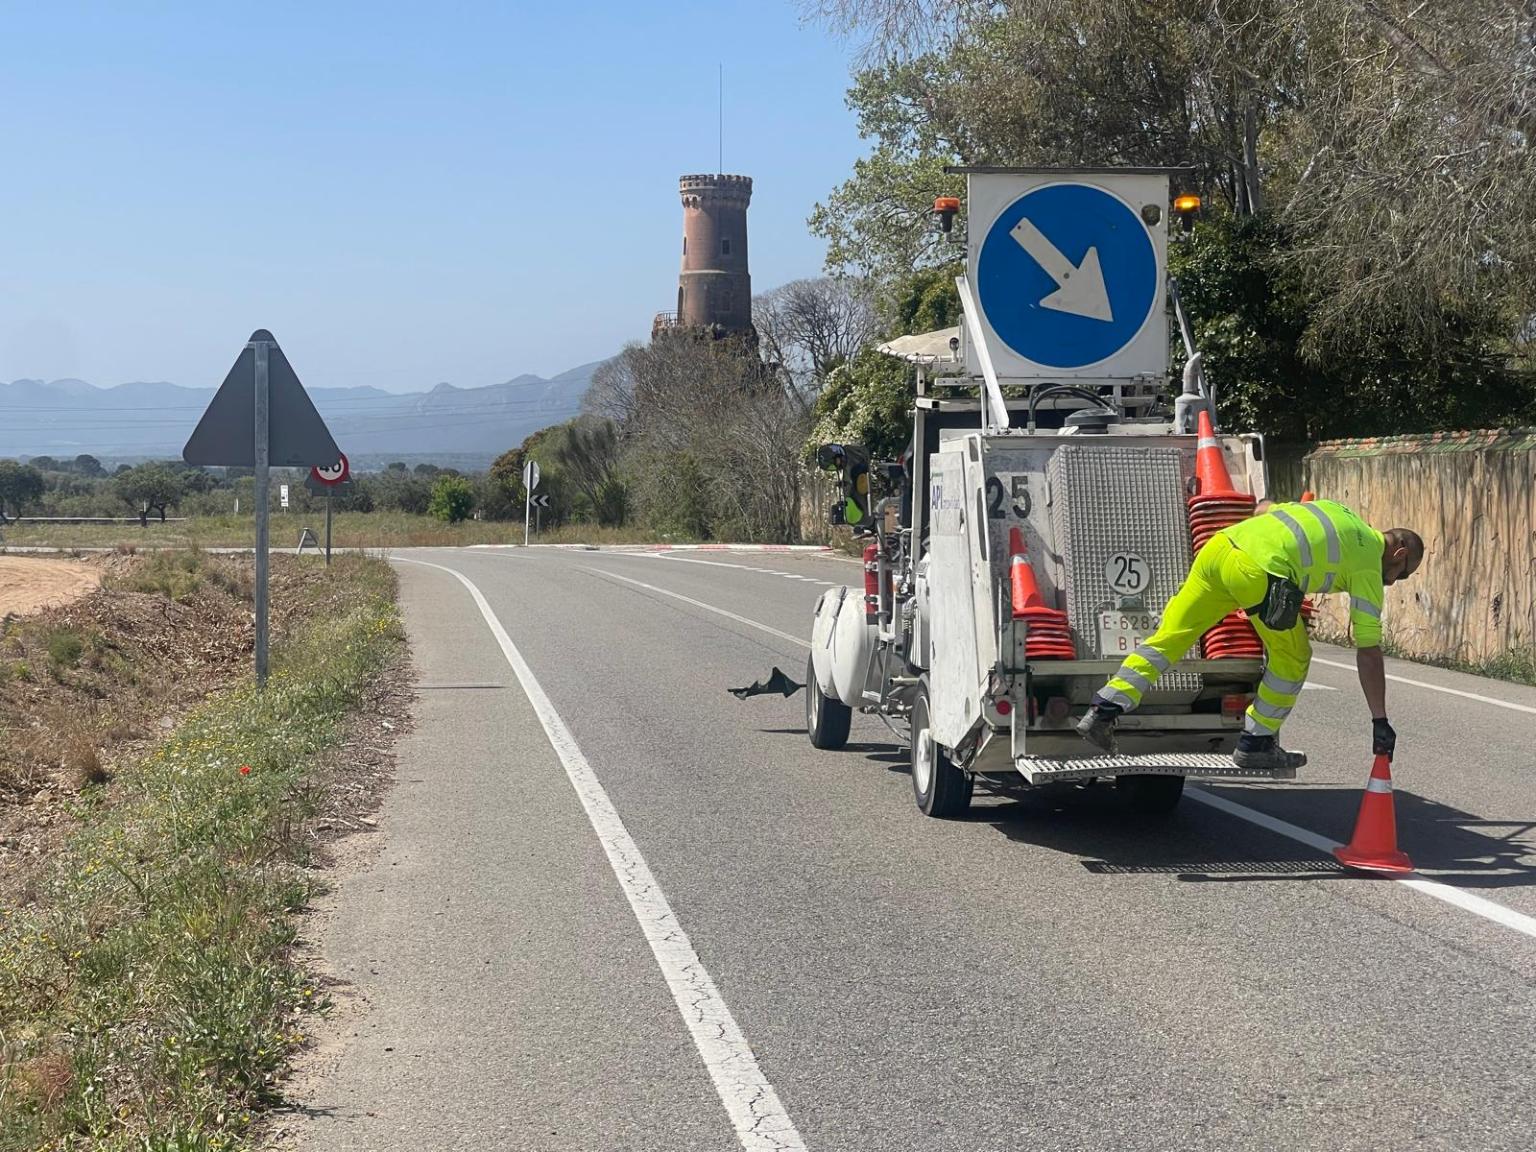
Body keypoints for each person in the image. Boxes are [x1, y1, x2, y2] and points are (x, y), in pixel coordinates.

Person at [1076, 499, 1424, 770]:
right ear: (1399, 553)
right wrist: (1380, 719)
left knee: (1171, 637)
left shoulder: (1337, 510)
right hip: (1257, 571)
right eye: (1402, 574)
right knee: (1294, 657)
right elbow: (1368, 651)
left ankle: (1104, 709)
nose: (1393, 582)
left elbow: (1264, 508)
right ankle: (1256, 743)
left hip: (1219, 549)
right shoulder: (1368, 563)